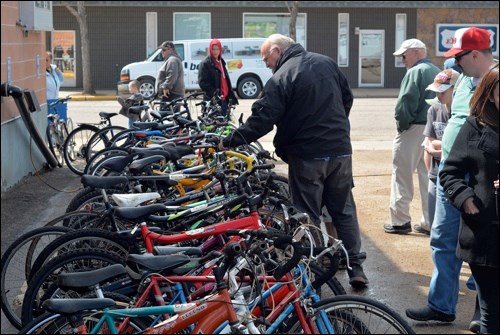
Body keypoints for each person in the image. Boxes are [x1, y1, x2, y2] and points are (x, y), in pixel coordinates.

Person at [219, 34, 368, 287]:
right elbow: (347, 99)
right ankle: (356, 268)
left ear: (277, 51)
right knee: (343, 210)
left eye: (266, 58)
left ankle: (314, 267)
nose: (266, 64)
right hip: (340, 151)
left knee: (307, 213)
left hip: (307, 155)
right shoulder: (327, 63)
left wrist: (230, 141)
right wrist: (336, 128)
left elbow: (262, 119)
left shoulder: (282, 77)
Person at [405, 27, 495, 331]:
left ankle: (484, 312)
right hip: (451, 173)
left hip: (479, 176)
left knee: (482, 248)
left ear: (473, 54)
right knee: (442, 240)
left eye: (458, 57)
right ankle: (441, 307)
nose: (453, 64)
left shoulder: (494, 82)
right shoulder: (464, 81)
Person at [439, 63, 499, 334]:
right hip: (484, 235)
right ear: (490, 94)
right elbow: (450, 172)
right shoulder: (475, 126)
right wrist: (465, 198)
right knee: (491, 314)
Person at [384, 39, 440, 234]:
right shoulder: (435, 70)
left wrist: (402, 126)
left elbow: (405, 104)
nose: (402, 59)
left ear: (416, 52)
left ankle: (400, 220)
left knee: (401, 175)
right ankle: (429, 221)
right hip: (432, 127)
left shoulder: (415, 72)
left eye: (404, 55)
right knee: (427, 176)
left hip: (413, 127)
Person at [415, 69, 460, 235]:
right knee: (436, 223)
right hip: (436, 173)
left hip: (457, 172)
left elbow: (458, 145)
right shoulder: (433, 110)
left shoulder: (461, 113)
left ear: (455, 89)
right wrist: (431, 175)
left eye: (443, 91)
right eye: (436, 91)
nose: (438, 95)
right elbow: (428, 144)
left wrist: (440, 145)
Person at [198, 39, 238, 118]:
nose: (215, 52)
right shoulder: (205, 64)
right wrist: (215, 94)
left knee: (225, 125)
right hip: (213, 101)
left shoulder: (221, 62)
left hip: (225, 101)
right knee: (213, 126)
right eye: (213, 49)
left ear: (220, 50)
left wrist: (231, 96)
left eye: (217, 49)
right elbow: (202, 83)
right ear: (210, 49)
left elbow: (225, 81)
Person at [155, 41, 185, 111]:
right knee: (171, 118)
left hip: (170, 94)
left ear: (170, 49)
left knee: (165, 119)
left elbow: (172, 75)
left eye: (163, 50)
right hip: (172, 94)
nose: (162, 52)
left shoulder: (172, 60)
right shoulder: (171, 59)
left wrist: (166, 87)